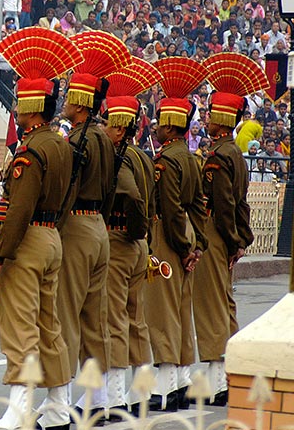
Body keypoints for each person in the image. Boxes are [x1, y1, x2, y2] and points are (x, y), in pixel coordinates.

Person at [0, 27, 79, 430]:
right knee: (48, 324)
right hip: (52, 236)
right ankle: (58, 407)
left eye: (21, 101)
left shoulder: (32, 149)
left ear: (32, 105)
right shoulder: (61, 143)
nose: (16, 109)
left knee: (20, 325)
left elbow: (18, 208)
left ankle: (20, 409)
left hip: (26, 241)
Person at [56, 30, 120, 416]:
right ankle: (99, 397)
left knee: (66, 313)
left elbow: (67, 189)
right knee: (95, 317)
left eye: (68, 97)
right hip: (99, 226)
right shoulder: (103, 138)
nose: (63, 103)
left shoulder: (78, 140)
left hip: (77, 227)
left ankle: (59, 402)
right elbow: (111, 188)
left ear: (80, 102)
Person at [144, 57, 209, 412]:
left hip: (168, 241)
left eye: (159, 123)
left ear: (171, 125)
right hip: (185, 241)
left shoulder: (165, 162)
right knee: (181, 313)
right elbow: (197, 207)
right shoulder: (191, 158)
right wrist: (198, 244)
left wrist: (183, 248)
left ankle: (165, 387)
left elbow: (169, 210)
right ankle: (183, 381)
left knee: (162, 314)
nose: (154, 128)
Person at [193, 54, 258, 405]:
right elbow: (240, 203)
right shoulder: (234, 152)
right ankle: (225, 376)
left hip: (216, 235)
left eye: (209, 113)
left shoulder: (218, 156)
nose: (204, 118)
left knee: (210, 307)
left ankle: (219, 382)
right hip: (228, 236)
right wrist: (242, 239)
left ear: (220, 118)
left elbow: (223, 206)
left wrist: (231, 240)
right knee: (223, 305)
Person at [97, 77, 158, 415]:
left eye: (108, 122)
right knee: (136, 318)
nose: (104, 127)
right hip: (138, 245)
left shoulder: (120, 158)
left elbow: (133, 197)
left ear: (119, 128)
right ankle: (142, 390)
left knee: (114, 319)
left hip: (121, 240)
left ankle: (117, 395)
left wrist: (134, 230)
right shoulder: (144, 156)